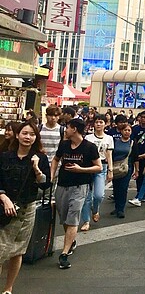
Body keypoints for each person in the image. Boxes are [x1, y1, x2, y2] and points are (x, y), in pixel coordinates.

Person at [0, 122, 51, 293]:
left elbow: (45, 186)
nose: (27, 137)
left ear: (36, 137)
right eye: (24, 133)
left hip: (26, 210)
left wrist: (36, 169)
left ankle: (8, 288)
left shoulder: (41, 158)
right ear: (17, 135)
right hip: (4, 209)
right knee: (0, 251)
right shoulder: (5, 156)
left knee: (17, 250)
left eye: (32, 134)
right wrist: (4, 197)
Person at [51, 118, 102, 269]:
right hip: (62, 185)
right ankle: (71, 240)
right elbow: (55, 159)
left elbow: (98, 167)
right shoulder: (64, 144)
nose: (65, 129)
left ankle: (64, 253)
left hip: (80, 186)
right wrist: (52, 174)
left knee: (73, 218)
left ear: (74, 129)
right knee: (64, 217)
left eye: (67, 127)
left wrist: (81, 170)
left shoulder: (89, 147)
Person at [80, 114, 114, 231]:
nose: (99, 124)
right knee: (86, 196)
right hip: (88, 167)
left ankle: (95, 209)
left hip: (102, 167)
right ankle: (86, 220)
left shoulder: (109, 138)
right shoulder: (88, 138)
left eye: (101, 122)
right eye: (97, 122)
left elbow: (109, 155)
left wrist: (111, 170)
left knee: (99, 195)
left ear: (105, 124)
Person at [110, 123, 138, 218]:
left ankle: (121, 209)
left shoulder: (132, 143)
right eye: (125, 130)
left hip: (127, 168)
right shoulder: (115, 141)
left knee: (123, 188)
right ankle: (117, 207)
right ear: (121, 131)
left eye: (129, 130)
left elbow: (135, 158)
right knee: (116, 188)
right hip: (115, 167)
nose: (127, 132)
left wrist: (137, 170)